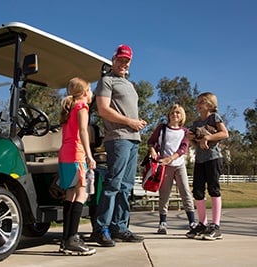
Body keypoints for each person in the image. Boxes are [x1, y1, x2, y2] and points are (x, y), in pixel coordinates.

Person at [92, 44, 147, 246]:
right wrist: (129, 122)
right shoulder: (106, 81)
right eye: (120, 60)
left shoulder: (129, 85)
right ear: (113, 59)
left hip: (134, 138)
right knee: (114, 183)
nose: (123, 63)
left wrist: (137, 122)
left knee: (126, 186)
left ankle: (119, 227)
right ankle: (101, 228)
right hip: (118, 138)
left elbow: (126, 111)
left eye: (127, 61)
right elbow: (104, 110)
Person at [58, 77, 97, 255]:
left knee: (70, 194)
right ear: (84, 92)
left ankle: (66, 239)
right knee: (82, 192)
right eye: (90, 90)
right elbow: (83, 131)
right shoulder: (82, 107)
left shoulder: (69, 109)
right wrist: (89, 156)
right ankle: (73, 238)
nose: (92, 94)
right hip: (77, 154)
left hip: (65, 154)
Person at [185, 92, 229, 240]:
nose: (197, 105)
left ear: (210, 104)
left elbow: (224, 133)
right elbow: (195, 143)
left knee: (213, 189)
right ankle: (202, 224)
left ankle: (216, 226)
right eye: (197, 102)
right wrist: (190, 138)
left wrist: (208, 137)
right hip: (200, 160)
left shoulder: (214, 117)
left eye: (201, 102)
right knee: (197, 191)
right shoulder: (196, 123)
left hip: (213, 158)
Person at [147, 104, 196, 234]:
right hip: (164, 166)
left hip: (179, 165)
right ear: (169, 115)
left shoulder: (185, 132)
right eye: (173, 112)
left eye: (178, 113)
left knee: (185, 192)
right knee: (164, 194)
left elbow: (183, 148)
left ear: (182, 116)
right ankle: (162, 222)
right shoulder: (162, 128)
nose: (175, 115)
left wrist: (171, 158)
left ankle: (192, 221)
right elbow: (151, 141)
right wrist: (152, 151)